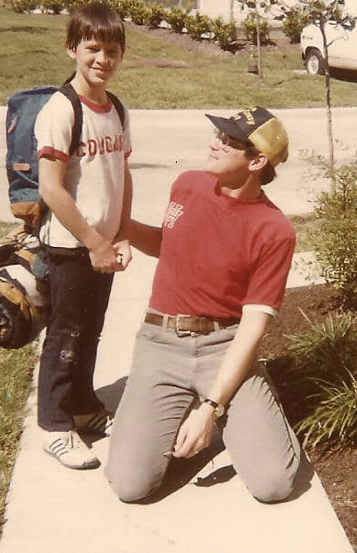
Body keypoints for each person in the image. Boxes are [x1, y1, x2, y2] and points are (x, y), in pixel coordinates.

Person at [105, 106, 301, 502]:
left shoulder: (274, 230)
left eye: (228, 141)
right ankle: (197, 405)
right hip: (161, 344)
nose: (214, 143)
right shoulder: (188, 185)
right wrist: (118, 229)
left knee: (274, 485)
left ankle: (243, 403)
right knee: (130, 486)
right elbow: (169, 244)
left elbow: (252, 326)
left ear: (257, 161)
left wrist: (210, 408)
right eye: (218, 135)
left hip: (223, 346)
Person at [34, 3, 133, 470]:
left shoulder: (115, 108)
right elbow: (50, 188)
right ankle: (54, 423)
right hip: (71, 246)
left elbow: (122, 173)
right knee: (67, 334)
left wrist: (121, 234)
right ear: (72, 48)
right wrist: (94, 241)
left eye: (112, 51)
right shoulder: (62, 109)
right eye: (92, 48)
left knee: (91, 330)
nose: (102, 59)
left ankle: (84, 405)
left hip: (103, 245)